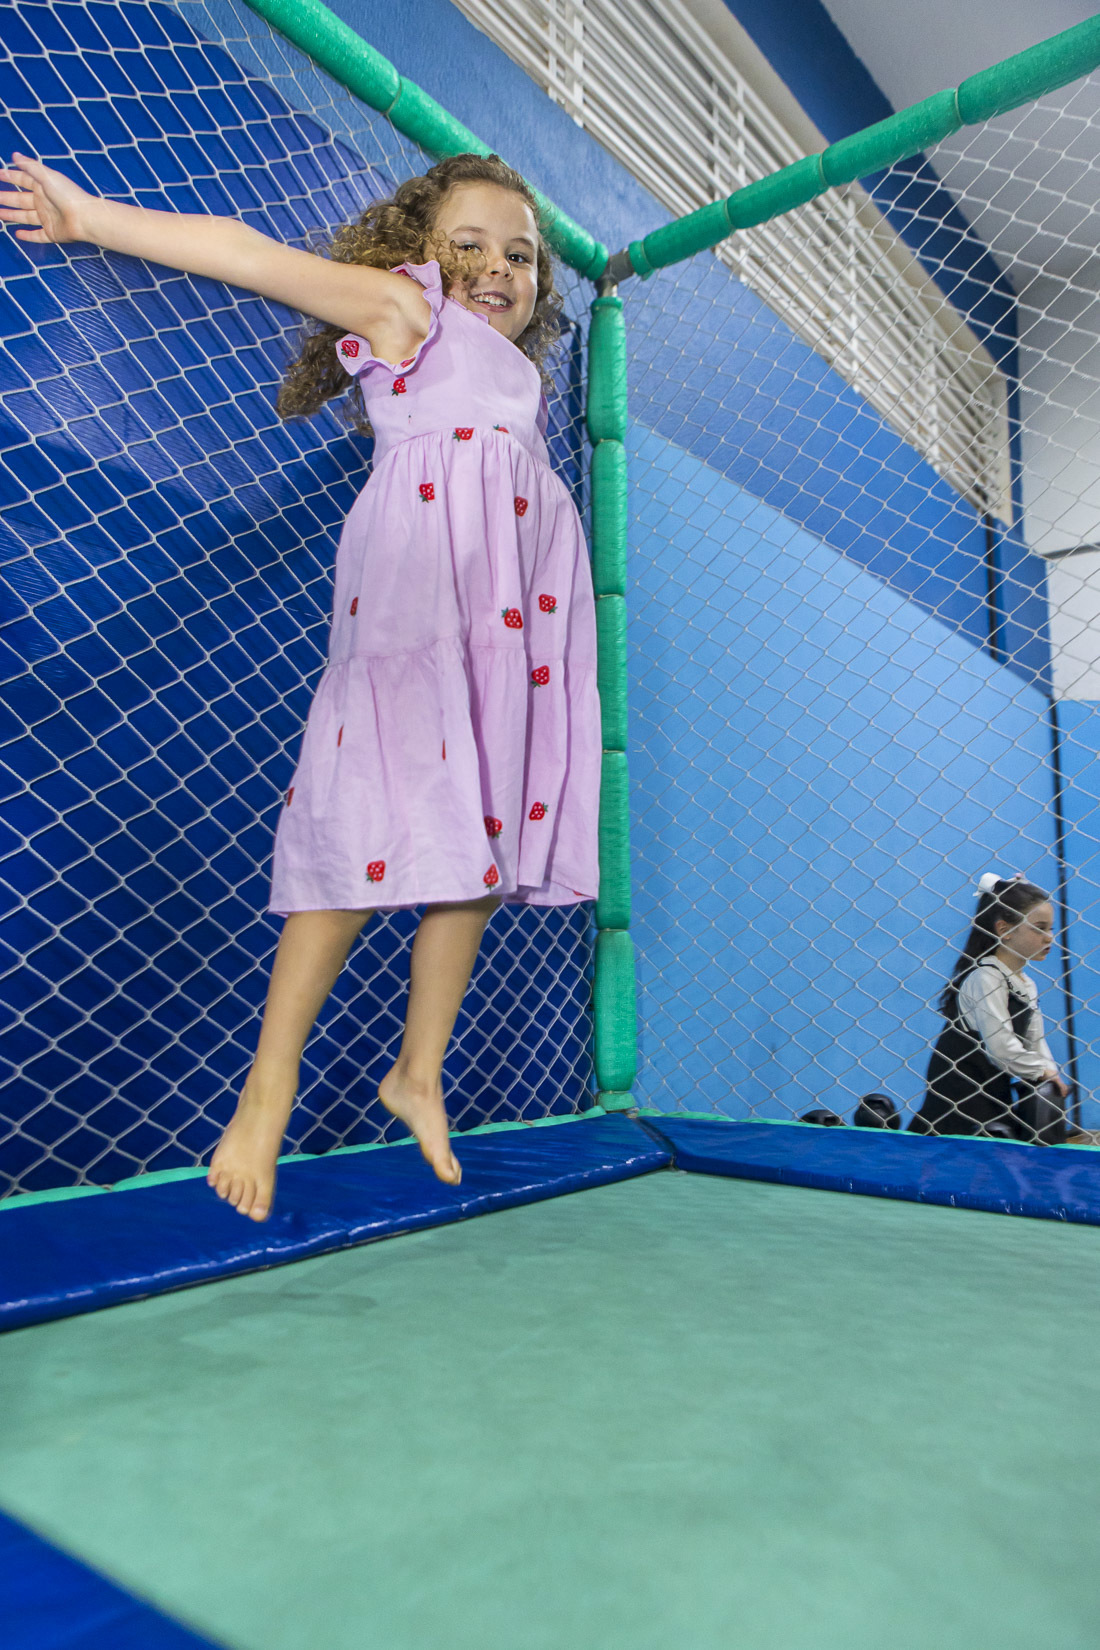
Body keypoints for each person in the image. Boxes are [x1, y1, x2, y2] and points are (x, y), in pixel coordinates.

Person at [0, 150, 600, 1220]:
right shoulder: (407, 312)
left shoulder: (525, 382)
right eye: (470, 245)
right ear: (422, 252)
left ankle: (418, 1072)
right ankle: (266, 1090)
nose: (499, 268)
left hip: (507, 632)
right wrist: (88, 217)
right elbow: (247, 254)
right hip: (419, 612)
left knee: (482, 843)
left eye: (521, 256)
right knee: (357, 828)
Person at [910, 874, 1070, 1143]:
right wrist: (1042, 1071)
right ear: (1005, 930)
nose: (1049, 938)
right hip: (960, 1094)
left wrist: (1049, 1073)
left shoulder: (1025, 984)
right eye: (1039, 928)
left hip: (993, 1088)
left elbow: (1034, 1041)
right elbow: (1001, 1048)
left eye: (1051, 929)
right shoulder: (986, 977)